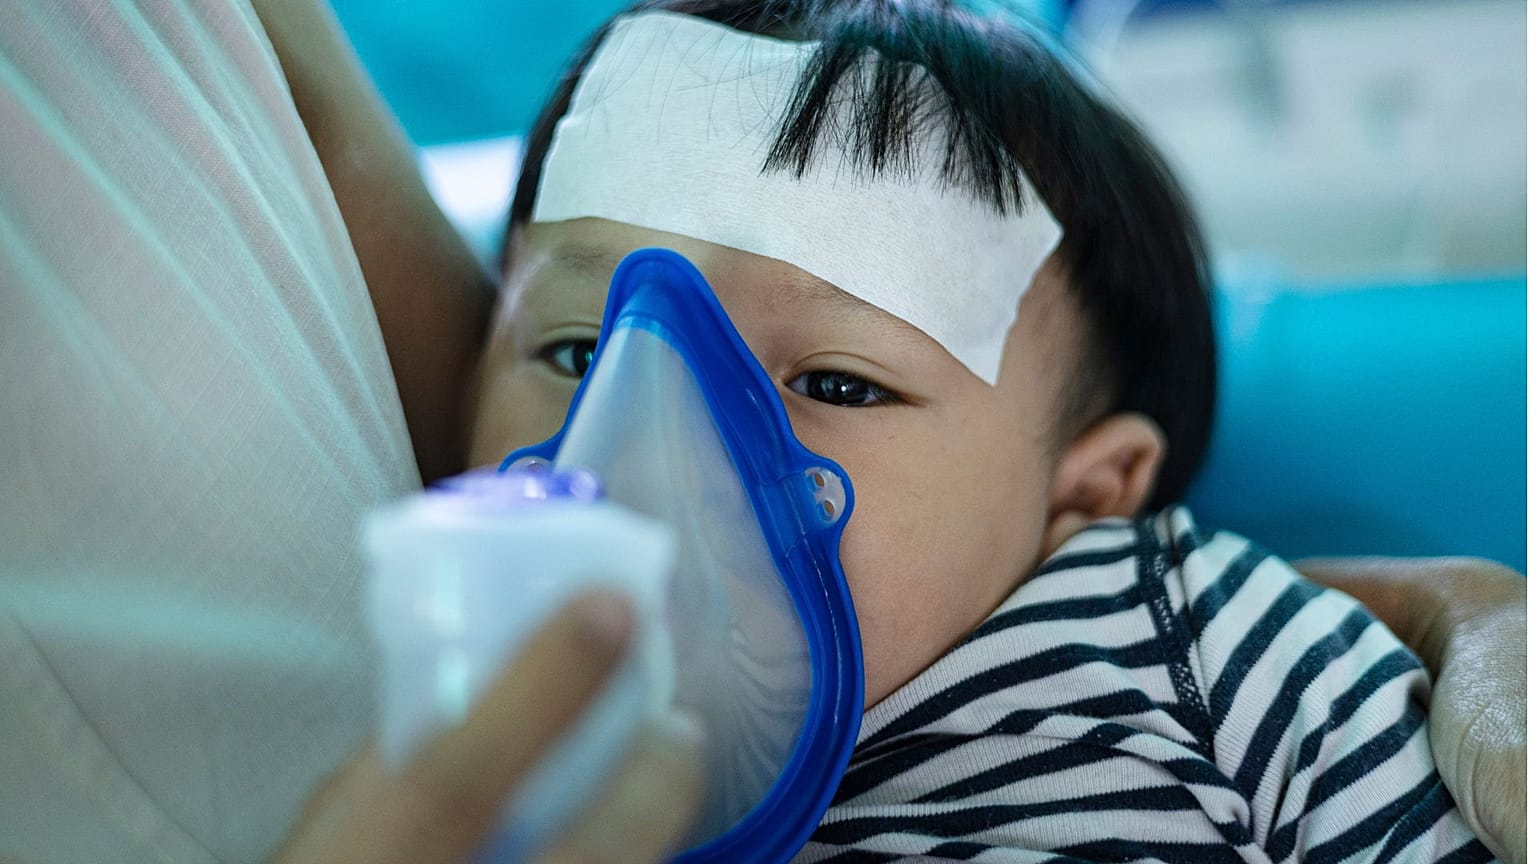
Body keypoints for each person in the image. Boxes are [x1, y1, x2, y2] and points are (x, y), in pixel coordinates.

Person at [0, 1, 1522, 863]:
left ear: (1091, 496)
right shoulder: (504, 746)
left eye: (840, 385)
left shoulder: (1180, 629)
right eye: (582, 347)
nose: (646, 441)